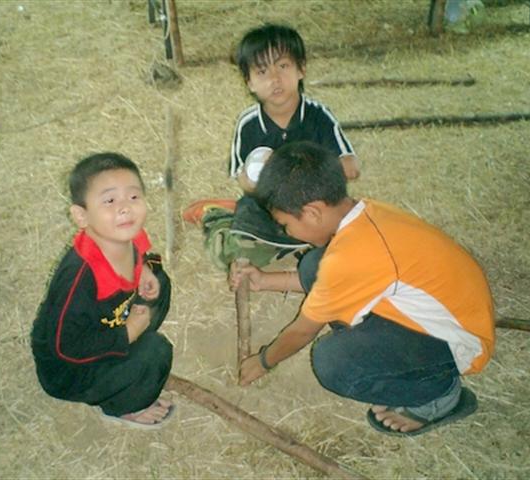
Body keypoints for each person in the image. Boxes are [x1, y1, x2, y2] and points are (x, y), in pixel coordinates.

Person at [229, 141, 495, 436]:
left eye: (285, 224)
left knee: (334, 363)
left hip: (458, 342)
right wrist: (265, 281)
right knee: (314, 264)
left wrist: (264, 361)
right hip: (447, 310)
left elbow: (302, 331)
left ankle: (438, 394)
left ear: (313, 213)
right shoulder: (363, 214)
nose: (286, 232)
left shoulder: (350, 257)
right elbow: (331, 282)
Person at [184, 24, 359, 270]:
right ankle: (219, 218)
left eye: (283, 66)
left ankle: (299, 244)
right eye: (262, 71)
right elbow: (245, 181)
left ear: (301, 69)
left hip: (313, 209)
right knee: (234, 250)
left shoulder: (319, 116)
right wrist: (260, 176)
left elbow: (351, 167)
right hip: (269, 208)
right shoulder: (248, 124)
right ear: (250, 82)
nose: (275, 79)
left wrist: (308, 171)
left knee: (353, 241)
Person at [31, 152, 174, 429]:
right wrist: (127, 334)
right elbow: (66, 347)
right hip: (71, 368)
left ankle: (131, 352)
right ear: (81, 216)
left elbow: (141, 251)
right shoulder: (79, 277)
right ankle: (124, 406)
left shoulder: (125, 234)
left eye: (133, 197)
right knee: (156, 352)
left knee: (160, 283)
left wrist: (144, 268)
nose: (125, 208)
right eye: (110, 201)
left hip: (111, 321)